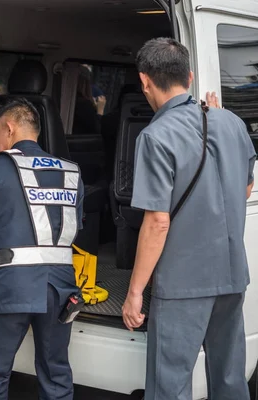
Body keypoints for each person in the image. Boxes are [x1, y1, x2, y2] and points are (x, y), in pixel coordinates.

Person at [121, 38, 255, 400]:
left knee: (170, 384)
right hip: (231, 277)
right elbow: (244, 190)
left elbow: (157, 222)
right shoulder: (231, 123)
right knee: (229, 378)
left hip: (183, 284)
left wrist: (135, 292)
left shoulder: (155, 136)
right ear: (190, 77)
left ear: (144, 81)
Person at [0, 98, 84, 400]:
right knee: (56, 373)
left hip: (10, 285)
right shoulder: (72, 172)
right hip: (61, 289)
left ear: (9, 127)